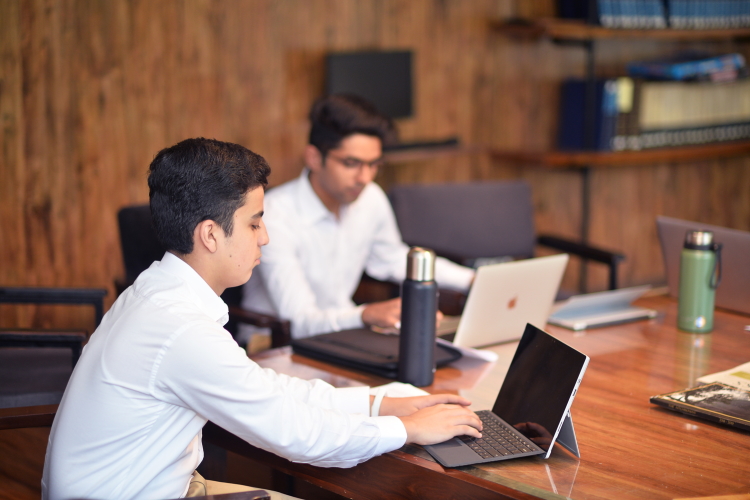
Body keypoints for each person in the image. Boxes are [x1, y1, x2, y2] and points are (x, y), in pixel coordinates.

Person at [41, 138, 482, 500]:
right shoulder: (180, 330)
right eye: (254, 223)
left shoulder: (157, 293)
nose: (265, 238)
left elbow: (268, 389)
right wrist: (406, 429)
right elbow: (296, 434)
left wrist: (379, 403)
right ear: (210, 234)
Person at [242, 94, 475, 340]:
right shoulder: (275, 215)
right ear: (313, 158)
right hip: (275, 346)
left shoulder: (370, 198)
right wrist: (365, 315)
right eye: (351, 163)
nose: (365, 177)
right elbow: (300, 321)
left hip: (343, 335)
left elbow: (392, 259)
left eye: (374, 164)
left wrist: (473, 280)